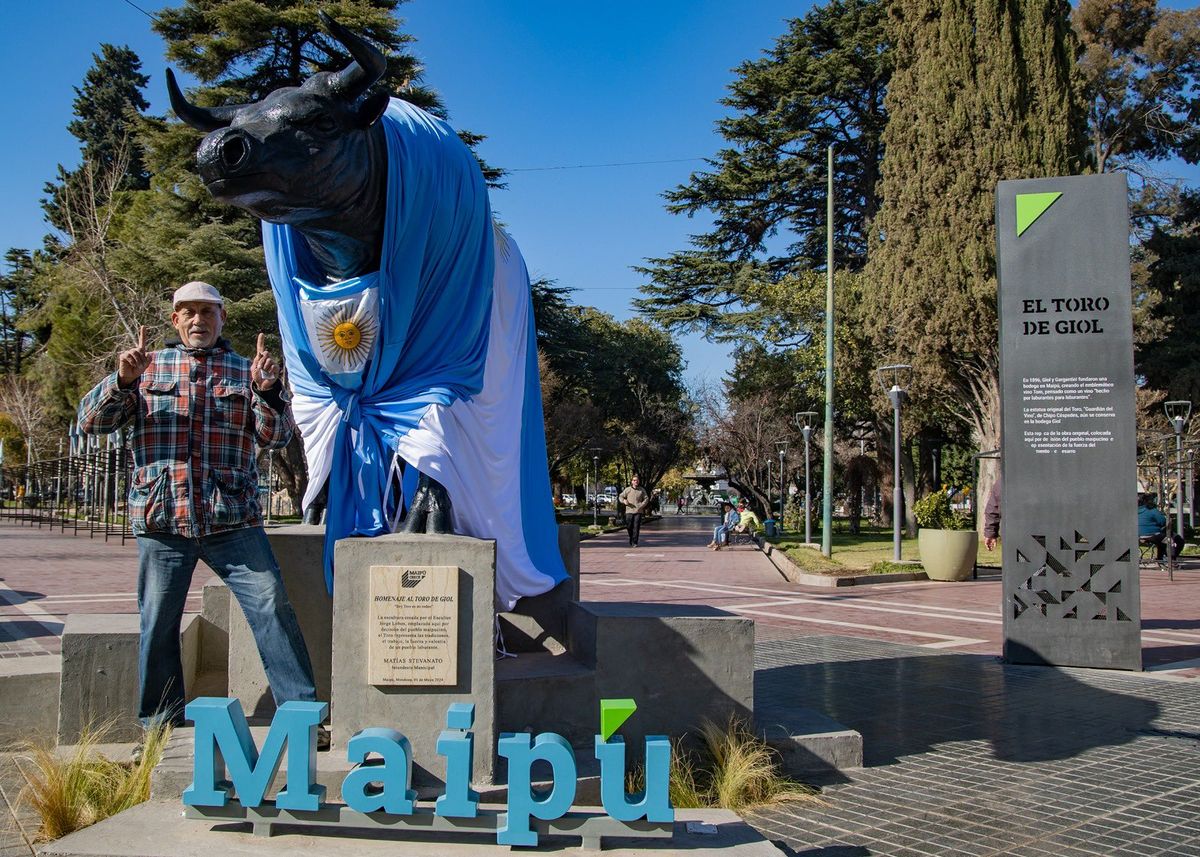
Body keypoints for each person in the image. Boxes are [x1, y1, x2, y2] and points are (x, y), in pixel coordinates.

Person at [78, 282, 321, 743]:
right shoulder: (146, 369)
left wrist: (269, 392)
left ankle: (302, 719)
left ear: (222, 318)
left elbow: (277, 437)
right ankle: (159, 726)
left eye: (207, 312)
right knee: (158, 621)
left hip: (233, 521)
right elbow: (91, 422)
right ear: (175, 320)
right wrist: (122, 382)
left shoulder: (246, 371)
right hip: (163, 521)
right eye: (188, 312)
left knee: (271, 606)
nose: (198, 320)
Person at [1138, 493, 1182, 562]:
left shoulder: (1136, 511)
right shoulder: (1152, 510)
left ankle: (1160, 558)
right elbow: (1163, 522)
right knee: (1172, 540)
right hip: (1153, 535)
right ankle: (1172, 560)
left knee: (1162, 540)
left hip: (1139, 536)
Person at [619, 474, 650, 547]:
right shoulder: (627, 489)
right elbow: (620, 496)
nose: (636, 481)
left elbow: (646, 499)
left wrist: (641, 506)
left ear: (639, 481)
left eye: (637, 480)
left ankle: (634, 542)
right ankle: (631, 538)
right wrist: (624, 501)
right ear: (632, 481)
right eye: (634, 480)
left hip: (638, 511)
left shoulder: (641, 490)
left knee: (636, 527)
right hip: (629, 511)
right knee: (629, 526)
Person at [983, 475, 1002, 552]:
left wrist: (990, 532)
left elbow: (993, 509)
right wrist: (990, 532)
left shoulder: (1005, 480)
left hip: (1015, 533)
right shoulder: (1003, 481)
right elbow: (993, 508)